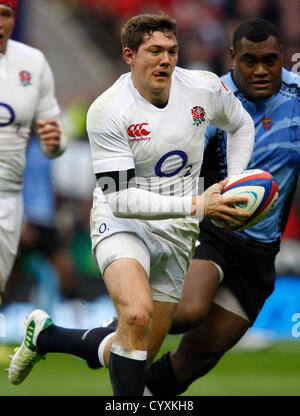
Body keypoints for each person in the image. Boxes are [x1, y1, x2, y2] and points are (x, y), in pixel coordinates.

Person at [8, 13, 255, 396]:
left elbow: (241, 124)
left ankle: (47, 336)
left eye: (172, 51)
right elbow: (121, 199)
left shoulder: (203, 88)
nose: (166, 60)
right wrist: (197, 205)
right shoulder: (107, 111)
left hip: (179, 230)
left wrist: (236, 179)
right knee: (136, 316)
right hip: (123, 222)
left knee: (134, 349)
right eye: (154, 51)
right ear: (129, 55)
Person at [145, 17, 300, 396]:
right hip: (213, 226)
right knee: (188, 312)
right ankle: (87, 335)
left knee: (199, 356)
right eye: (250, 60)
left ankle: (143, 397)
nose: (261, 70)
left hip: (260, 250)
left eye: (270, 60)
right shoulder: (210, 99)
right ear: (232, 57)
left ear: (282, 56)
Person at [0, 0, 68, 305]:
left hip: (31, 212)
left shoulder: (34, 64)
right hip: (21, 213)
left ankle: (74, 314)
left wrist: (56, 143)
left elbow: (55, 143)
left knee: (60, 272)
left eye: (6, 14)